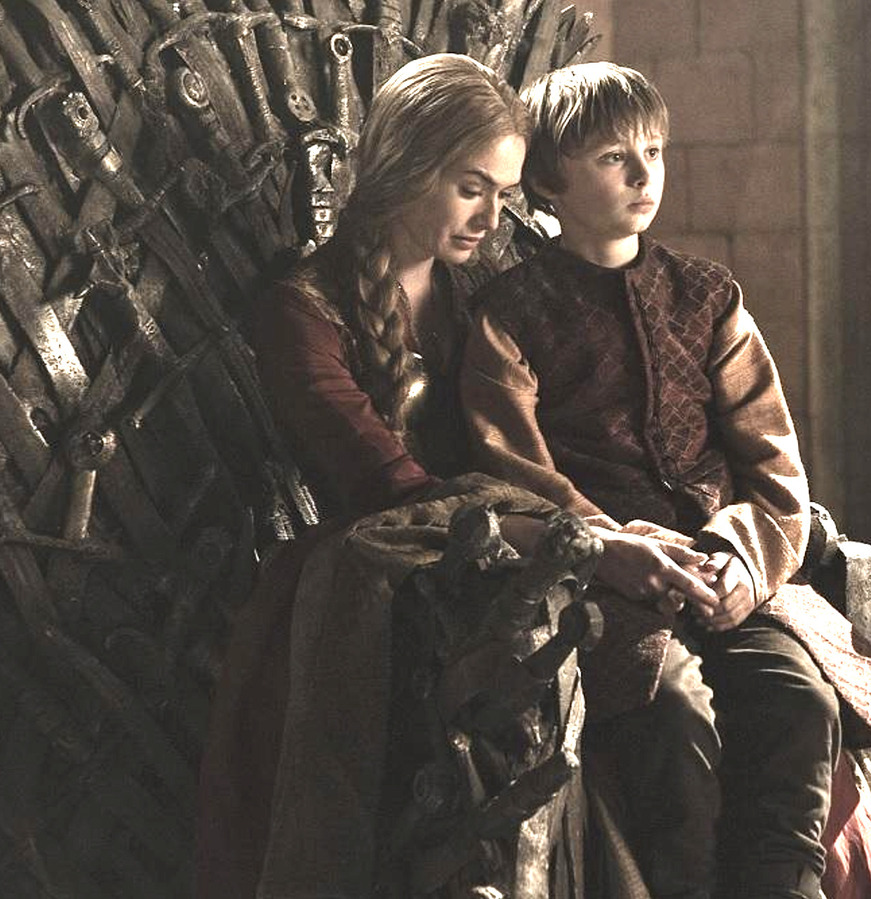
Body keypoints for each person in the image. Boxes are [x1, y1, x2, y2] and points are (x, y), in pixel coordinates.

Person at [460, 63, 871, 899]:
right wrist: (613, 548)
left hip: (727, 574)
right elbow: (517, 474)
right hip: (604, 587)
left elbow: (773, 463)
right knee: (673, 713)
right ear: (549, 180)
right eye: (613, 158)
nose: (643, 176)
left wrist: (743, 559)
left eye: (653, 152)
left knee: (800, 700)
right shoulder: (510, 313)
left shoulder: (708, 297)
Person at [195, 54, 556, 899]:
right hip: (372, 587)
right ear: (407, 166)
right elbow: (387, 484)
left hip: (521, 552)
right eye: (472, 188)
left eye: (504, 194)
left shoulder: (490, 295)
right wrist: (563, 534)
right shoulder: (299, 310)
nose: (491, 217)